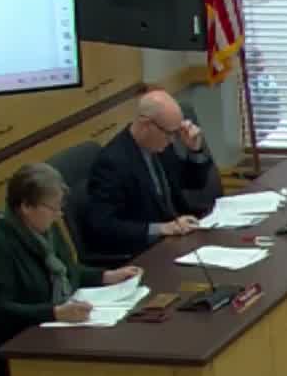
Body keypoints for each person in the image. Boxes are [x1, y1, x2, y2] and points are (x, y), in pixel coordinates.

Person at [0, 163, 141, 349]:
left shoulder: (45, 229)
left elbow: (67, 270)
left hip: (51, 330)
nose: (59, 215)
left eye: (60, 207)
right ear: (26, 206)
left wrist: (105, 276)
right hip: (12, 345)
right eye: (53, 208)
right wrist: (55, 313)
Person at [82, 90, 214, 257]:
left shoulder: (161, 145)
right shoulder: (112, 162)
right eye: (169, 133)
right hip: (145, 251)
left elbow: (193, 182)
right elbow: (102, 226)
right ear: (146, 124)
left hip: (178, 237)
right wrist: (161, 228)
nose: (172, 140)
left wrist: (195, 150)